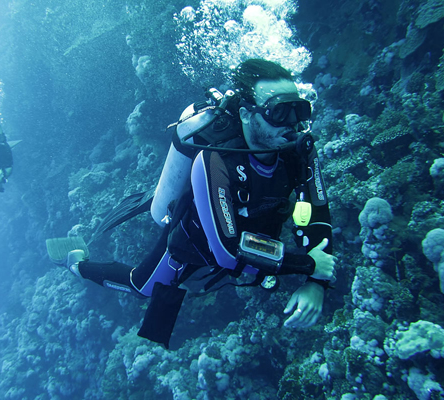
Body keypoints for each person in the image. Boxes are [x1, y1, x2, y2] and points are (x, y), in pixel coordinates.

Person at [49, 59, 336, 347]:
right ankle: (76, 262)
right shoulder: (215, 158)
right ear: (247, 114)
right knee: (142, 287)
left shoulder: (299, 152)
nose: (292, 123)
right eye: (279, 112)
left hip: (247, 236)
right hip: (196, 241)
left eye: (299, 110)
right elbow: (227, 251)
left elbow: (319, 214)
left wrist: (317, 283)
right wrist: (308, 265)